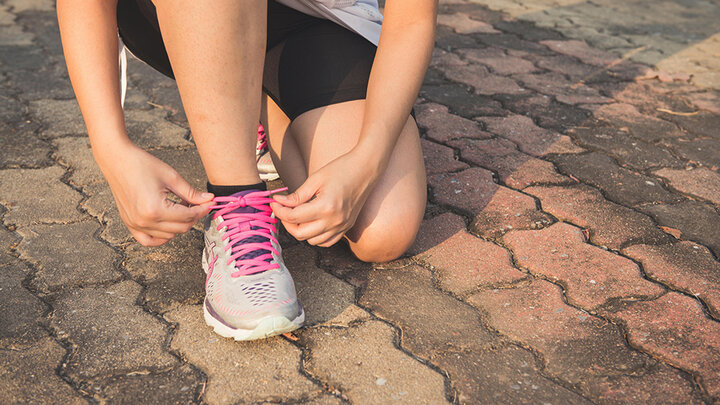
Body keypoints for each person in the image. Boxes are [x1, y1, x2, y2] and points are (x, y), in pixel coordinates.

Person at [56, 0, 436, 340]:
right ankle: (236, 199)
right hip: (189, 12)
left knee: (382, 229)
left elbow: (413, 20)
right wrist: (111, 147)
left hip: (321, 21)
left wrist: (366, 162)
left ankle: (249, 101)